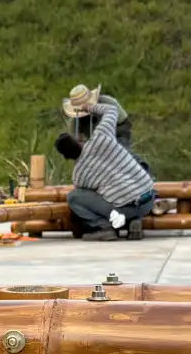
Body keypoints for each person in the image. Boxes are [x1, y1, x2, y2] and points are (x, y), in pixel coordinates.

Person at [57, 84, 156, 240]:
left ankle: (106, 226)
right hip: (147, 199)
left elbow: (120, 120)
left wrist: (90, 107)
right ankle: (134, 219)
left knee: (128, 160)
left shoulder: (79, 175)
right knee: (115, 171)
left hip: (117, 133)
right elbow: (108, 115)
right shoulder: (101, 133)